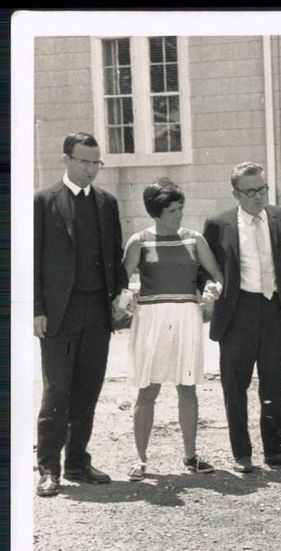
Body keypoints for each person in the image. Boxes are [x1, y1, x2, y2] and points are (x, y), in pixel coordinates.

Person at [202, 162, 281, 473]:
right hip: (237, 313)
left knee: (274, 384)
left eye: (262, 189)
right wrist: (208, 286)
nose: (257, 197)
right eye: (250, 192)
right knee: (235, 386)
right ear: (236, 193)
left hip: (275, 309)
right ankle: (242, 453)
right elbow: (204, 269)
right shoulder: (218, 224)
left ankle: (275, 450)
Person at [34, 132, 127, 497]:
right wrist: (38, 309)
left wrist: (120, 291)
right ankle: (48, 469)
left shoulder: (106, 203)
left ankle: (77, 462)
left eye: (96, 163)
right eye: (84, 162)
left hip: (96, 310)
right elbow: (32, 262)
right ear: (66, 160)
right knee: (57, 390)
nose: (91, 169)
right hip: (59, 312)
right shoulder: (43, 202)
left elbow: (115, 253)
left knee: (88, 388)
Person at [122, 179, 225, 481]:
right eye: (170, 211)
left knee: (187, 387)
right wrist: (126, 297)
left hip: (185, 316)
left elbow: (215, 275)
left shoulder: (194, 239)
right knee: (147, 389)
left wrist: (212, 289)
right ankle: (140, 459)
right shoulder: (139, 241)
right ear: (155, 212)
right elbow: (123, 283)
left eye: (180, 209)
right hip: (152, 318)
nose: (177, 216)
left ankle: (190, 456)